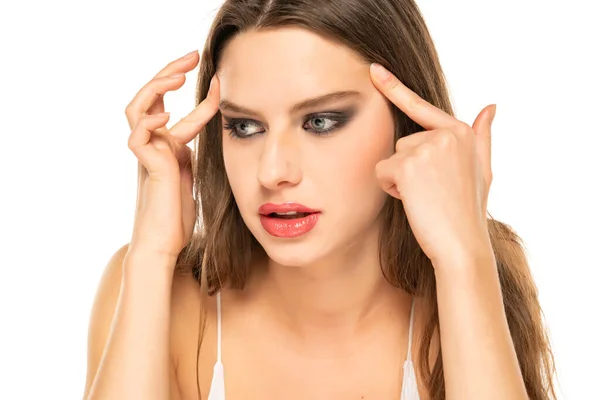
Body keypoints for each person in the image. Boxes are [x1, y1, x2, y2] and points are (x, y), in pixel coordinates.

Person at [83, 0, 556, 399]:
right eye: (245, 126)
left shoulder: (470, 276)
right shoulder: (157, 287)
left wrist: (463, 255)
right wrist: (151, 253)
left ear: (406, 121)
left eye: (321, 122)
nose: (273, 172)